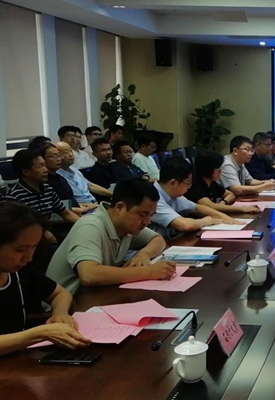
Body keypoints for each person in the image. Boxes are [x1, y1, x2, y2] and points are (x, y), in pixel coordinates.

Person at [46, 179, 174, 295]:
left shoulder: (126, 226)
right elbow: (89, 275)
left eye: (151, 215)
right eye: (143, 214)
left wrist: (143, 255)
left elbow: (158, 239)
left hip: (96, 297)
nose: (147, 221)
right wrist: (149, 272)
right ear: (120, 208)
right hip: (65, 306)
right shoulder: (90, 226)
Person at [0, 202, 90, 356]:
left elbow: (60, 294)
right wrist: (41, 333)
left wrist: (60, 313)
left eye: (34, 247)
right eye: (21, 249)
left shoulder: (19, 271)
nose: (29, 257)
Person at [150, 157, 241, 238]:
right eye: (188, 183)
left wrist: (224, 217)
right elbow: (184, 225)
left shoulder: (174, 194)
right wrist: (205, 221)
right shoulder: (153, 197)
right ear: (173, 183)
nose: (189, 187)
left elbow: (196, 208)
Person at [4, 149, 80, 244]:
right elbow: (16, 228)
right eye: (41, 166)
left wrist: (84, 224)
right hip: (27, 240)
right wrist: (43, 232)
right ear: (26, 172)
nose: (46, 170)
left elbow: (66, 213)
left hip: (48, 235)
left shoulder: (47, 189)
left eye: (44, 165)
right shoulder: (13, 197)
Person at [186, 151, 261, 215]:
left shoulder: (211, 182)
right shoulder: (195, 184)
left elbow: (230, 194)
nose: (220, 171)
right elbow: (211, 206)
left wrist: (223, 202)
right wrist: (242, 209)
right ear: (208, 169)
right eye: (218, 168)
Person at [37, 143, 96, 216]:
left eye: (58, 155)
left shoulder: (60, 177)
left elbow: (70, 202)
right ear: (42, 159)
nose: (59, 159)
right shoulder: (44, 183)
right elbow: (56, 208)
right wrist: (83, 210)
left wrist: (88, 206)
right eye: (53, 156)